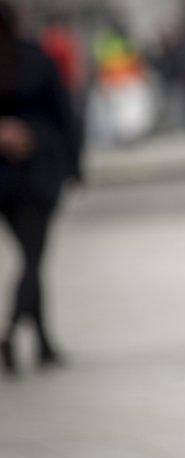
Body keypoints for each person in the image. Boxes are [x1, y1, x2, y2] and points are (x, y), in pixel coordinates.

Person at [0, 1, 80, 375]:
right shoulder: (36, 60)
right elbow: (65, 115)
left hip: (25, 176)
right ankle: (14, 330)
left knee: (32, 259)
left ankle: (43, 342)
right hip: (33, 176)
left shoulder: (36, 59)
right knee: (33, 260)